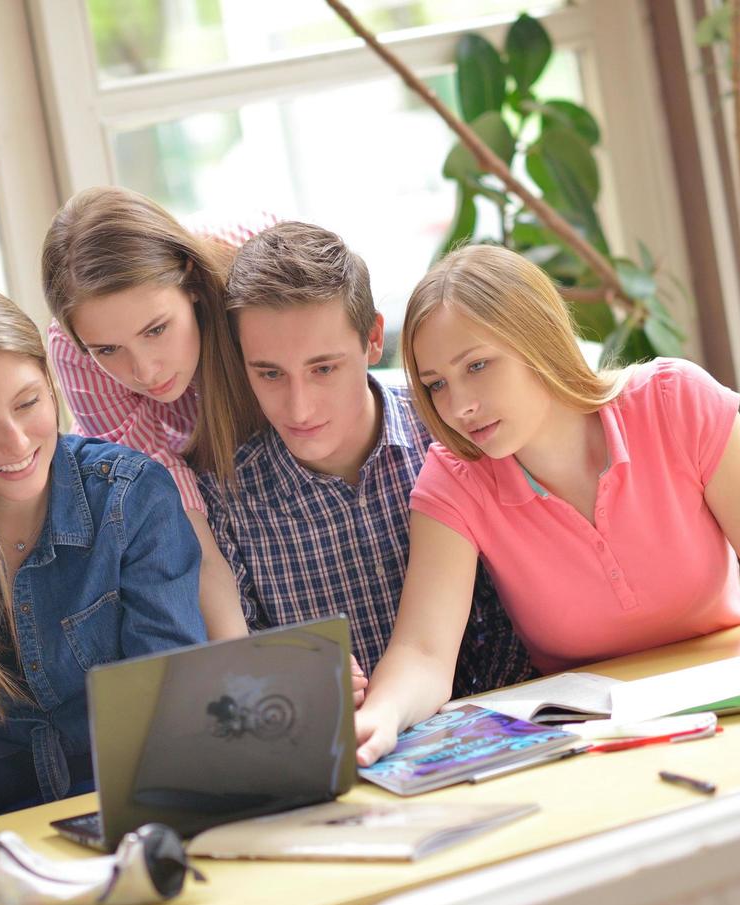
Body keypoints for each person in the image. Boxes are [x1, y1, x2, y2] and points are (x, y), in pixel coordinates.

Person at [355, 244, 740, 764]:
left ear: (536, 339)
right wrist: (380, 716)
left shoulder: (677, 401)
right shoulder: (454, 480)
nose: (459, 405)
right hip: (599, 747)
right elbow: (423, 652)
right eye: (437, 385)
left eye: (478, 366)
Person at [0, 279, 206, 817]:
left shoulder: (130, 499)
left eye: (27, 403)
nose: (15, 443)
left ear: (52, 387)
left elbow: (172, 709)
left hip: (134, 814)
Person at [195, 222, 528, 705]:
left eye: (323, 368)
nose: (299, 408)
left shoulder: (459, 430)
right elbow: (240, 691)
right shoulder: (224, 504)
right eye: (269, 374)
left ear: (373, 338)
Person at [41, 186, 269, 640]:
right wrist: (248, 668)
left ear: (191, 283)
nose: (143, 371)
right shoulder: (73, 352)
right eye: (108, 349)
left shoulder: (248, 262)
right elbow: (184, 525)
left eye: (157, 329)